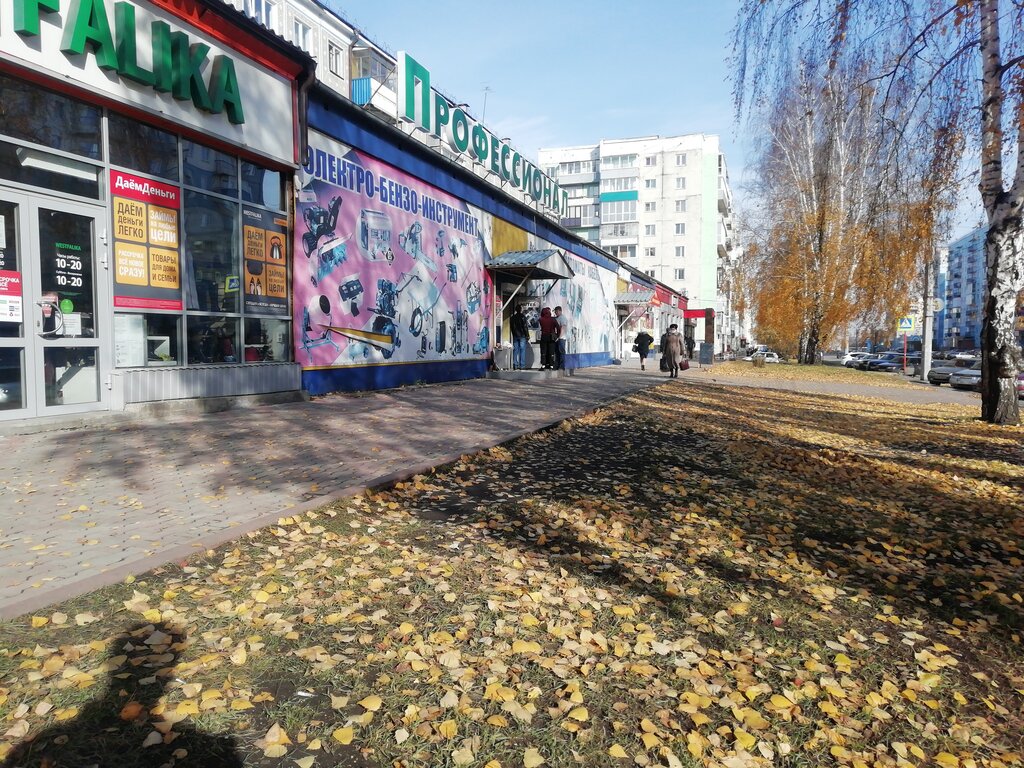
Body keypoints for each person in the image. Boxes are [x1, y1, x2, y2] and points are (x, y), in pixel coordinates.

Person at [510, 304, 529, 369]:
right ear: (520, 309)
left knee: (515, 350)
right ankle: (522, 365)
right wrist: (527, 335)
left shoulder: (512, 317)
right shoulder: (523, 317)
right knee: (522, 350)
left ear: (516, 310)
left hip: (515, 335)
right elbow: (525, 327)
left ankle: (515, 365)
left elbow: (512, 328)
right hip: (522, 335)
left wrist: (514, 334)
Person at [553, 305, 568, 369]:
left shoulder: (562, 318)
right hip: (557, 338)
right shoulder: (557, 318)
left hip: (561, 338)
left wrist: (559, 337)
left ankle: (562, 366)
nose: (555, 313)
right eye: (555, 311)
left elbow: (563, 327)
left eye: (556, 311)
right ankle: (557, 365)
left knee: (561, 351)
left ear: (560, 311)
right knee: (557, 352)